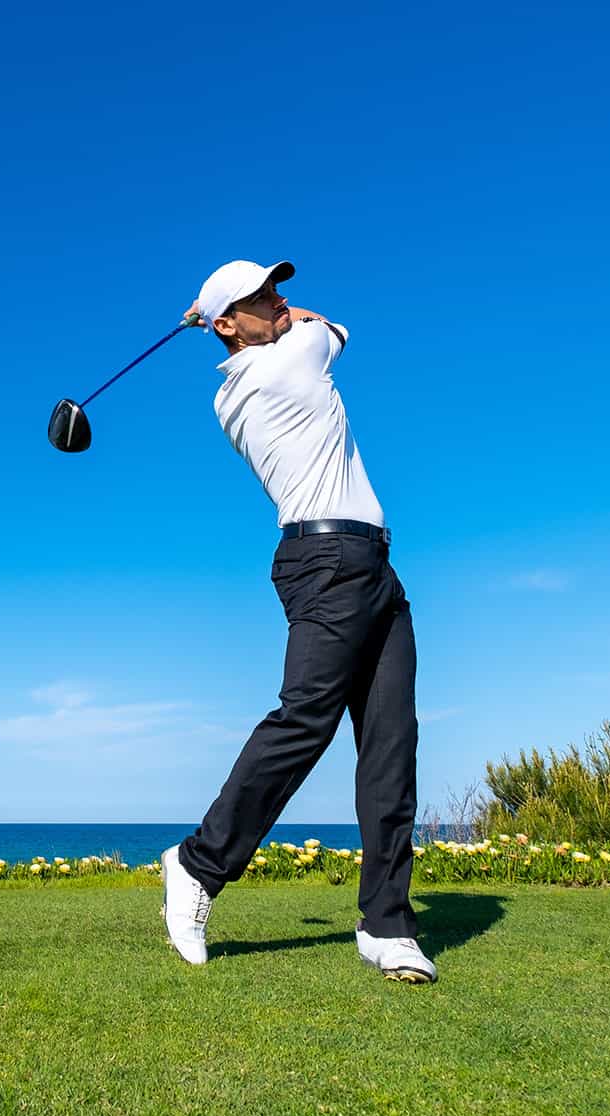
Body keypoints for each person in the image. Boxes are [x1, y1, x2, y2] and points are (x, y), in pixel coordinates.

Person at [159, 259, 435, 983]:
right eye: (262, 297)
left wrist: (221, 316)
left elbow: (287, 321)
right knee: (306, 719)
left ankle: (387, 925)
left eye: (278, 288)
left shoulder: (234, 385)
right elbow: (333, 326)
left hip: (369, 562)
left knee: (392, 742)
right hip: (327, 561)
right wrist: (278, 316)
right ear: (228, 324)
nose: (280, 302)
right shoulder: (287, 362)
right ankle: (198, 864)